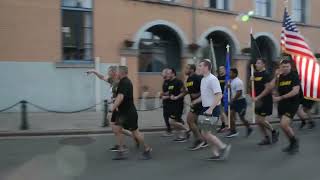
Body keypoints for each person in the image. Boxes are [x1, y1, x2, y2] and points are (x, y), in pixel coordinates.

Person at [86, 66, 139, 151]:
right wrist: (94, 71)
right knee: (116, 127)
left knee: (116, 128)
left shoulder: (120, 82)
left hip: (118, 108)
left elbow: (122, 96)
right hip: (115, 106)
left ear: (114, 72)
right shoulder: (112, 80)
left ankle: (122, 146)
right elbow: (102, 77)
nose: (107, 73)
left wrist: (114, 101)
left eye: (109, 71)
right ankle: (132, 137)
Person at [192, 59, 231, 160]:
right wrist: (196, 101)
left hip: (212, 109)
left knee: (206, 133)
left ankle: (223, 147)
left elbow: (219, 95)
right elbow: (205, 95)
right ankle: (215, 154)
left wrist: (210, 109)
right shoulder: (203, 79)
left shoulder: (212, 79)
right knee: (206, 133)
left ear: (206, 67)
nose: (198, 68)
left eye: (200, 66)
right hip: (205, 108)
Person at [111, 66, 152, 160]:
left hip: (129, 113)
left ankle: (147, 148)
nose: (115, 74)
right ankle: (121, 151)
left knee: (136, 132)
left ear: (121, 73)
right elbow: (120, 96)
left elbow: (121, 97)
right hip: (122, 112)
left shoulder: (125, 82)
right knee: (117, 129)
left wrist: (113, 108)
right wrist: (115, 100)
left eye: (116, 72)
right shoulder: (122, 82)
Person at [270, 59, 300, 154]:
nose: (285, 68)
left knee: (284, 124)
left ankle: (294, 142)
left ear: (290, 67)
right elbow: (272, 87)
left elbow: (295, 91)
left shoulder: (294, 76)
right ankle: (292, 142)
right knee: (284, 127)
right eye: (283, 67)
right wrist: (275, 76)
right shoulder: (280, 77)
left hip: (292, 103)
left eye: (287, 67)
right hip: (282, 103)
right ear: (280, 68)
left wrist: (280, 97)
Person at [252, 59, 279, 145]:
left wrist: (258, 97)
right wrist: (251, 80)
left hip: (265, 100)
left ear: (264, 64)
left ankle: (273, 131)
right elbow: (252, 87)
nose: (256, 64)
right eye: (256, 63)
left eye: (259, 63)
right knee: (258, 121)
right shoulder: (255, 74)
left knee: (261, 120)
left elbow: (268, 89)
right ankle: (266, 138)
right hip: (258, 100)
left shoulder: (266, 75)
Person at [185, 64, 208, 150]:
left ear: (192, 70)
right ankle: (204, 140)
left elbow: (204, 90)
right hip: (194, 103)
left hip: (199, 103)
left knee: (189, 120)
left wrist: (197, 95)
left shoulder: (197, 77)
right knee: (196, 123)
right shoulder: (189, 79)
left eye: (187, 68)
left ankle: (199, 140)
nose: (185, 70)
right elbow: (190, 91)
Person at [226, 68, 253, 138]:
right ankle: (233, 131)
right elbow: (231, 90)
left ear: (235, 74)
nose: (229, 74)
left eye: (231, 73)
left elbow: (239, 93)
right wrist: (228, 87)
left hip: (241, 102)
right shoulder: (231, 81)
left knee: (242, 118)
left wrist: (232, 100)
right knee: (231, 115)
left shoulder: (238, 82)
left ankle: (249, 127)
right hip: (235, 101)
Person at [164, 68, 189, 142]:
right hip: (171, 104)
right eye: (166, 73)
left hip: (178, 104)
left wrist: (177, 97)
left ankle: (187, 129)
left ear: (173, 74)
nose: (167, 74)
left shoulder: (178, 82)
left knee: (172, 122)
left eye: (168, 73)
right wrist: (165, 95)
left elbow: (184, 92)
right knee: (176, 120)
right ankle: (180, 136)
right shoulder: (169, 82)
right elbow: (170, 92)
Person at [160, 68, 173, 137]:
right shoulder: (165, 81)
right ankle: (169, 129)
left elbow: (170, 91)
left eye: (163, 73)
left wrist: (164, 94)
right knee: (166, 116)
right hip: (165, 102)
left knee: (172, 117)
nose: (162, 74)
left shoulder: (169, 81)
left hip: (170, 102)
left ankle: (184, 127)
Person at [217, 66, 228, 133]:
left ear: (225, 70)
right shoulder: (218, 77)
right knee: (221, 111)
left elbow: (227, 87)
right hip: (218, 96)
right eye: (219, 69)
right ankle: (223, 125)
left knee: (226, 111)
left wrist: (224, 94)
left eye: (222, 69)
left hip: (225, 96)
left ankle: (229, 124)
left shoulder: (227, 77)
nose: (220, 70)